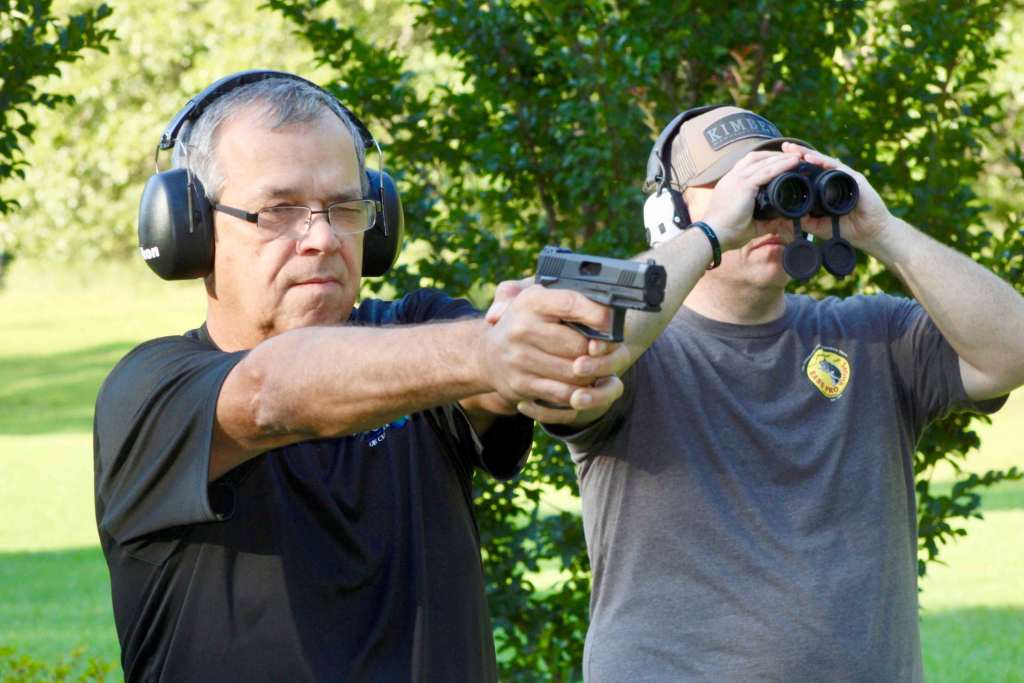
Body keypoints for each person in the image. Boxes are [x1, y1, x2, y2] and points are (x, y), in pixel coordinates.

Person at [92, 72, 626, 682]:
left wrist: (708, 240)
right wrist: (491, 349)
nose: (320, 237)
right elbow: (270, 393)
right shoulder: (149, 393)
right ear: (191, 229)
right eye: (279, 211)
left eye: (345, 208)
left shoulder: (425, 329)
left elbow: (507, 374)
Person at [492, 105, 1024, 681]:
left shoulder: (872, 337)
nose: (760, 205)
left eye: (772, 184)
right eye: (730, 185)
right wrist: (715, 232)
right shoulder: (638, 356)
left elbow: (1012, 351)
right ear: (667, 216)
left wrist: (885, 233)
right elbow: (577, 340)